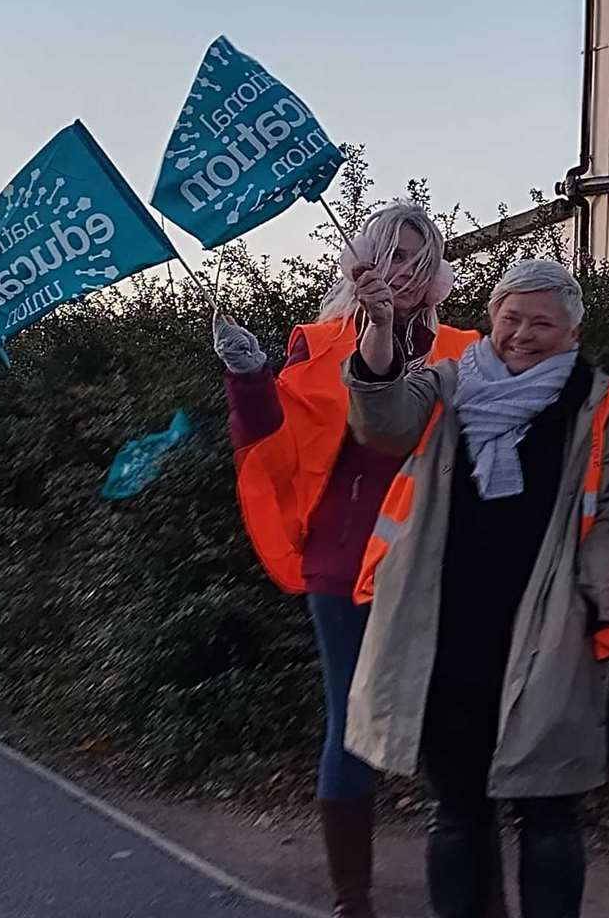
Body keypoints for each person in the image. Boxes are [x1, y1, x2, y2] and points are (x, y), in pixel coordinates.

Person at [340, 258, 609, 918]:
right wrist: (381, 332)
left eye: (542, 324)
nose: (523, 335)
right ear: (490, 321)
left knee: (551, 814)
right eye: (511, 319)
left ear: (573, 334)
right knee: (456, 814)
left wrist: (601, 602)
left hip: (553, 628)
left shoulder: (603, 403)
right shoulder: (448, 382)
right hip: (445, 635)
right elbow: (381, 422)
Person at [214, 203, 489, 918]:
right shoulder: (321, 341)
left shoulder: (470, 346)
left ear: (435, 275)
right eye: (389, 255)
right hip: (345, 555)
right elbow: (279, 444)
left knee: (453, 718)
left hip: (442, 557)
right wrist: (247, 378)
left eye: (415, 259)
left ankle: (474, 892)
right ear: (362, 262)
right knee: (352, 721)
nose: (400, 270)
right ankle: (352, 900)